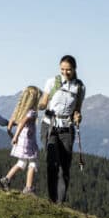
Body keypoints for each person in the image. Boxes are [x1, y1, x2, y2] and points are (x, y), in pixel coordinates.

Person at [39, 54, 86, 204]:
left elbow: (77, 110)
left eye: (68, 70)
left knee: (64, 166)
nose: (65, 72)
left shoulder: (79, 87)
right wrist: (36, 104)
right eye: (63, 69)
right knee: (52, 163)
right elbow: (43, 102)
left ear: (74, 69)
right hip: (50, 125)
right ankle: (52, 200)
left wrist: (78, 117)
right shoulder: (52, 82)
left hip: (67, 128)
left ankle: (60, 202)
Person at [0, 86, 43, 194]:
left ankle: (6, 179)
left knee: (22, 162)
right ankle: (28, 188)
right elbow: (22, 123)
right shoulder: (32, 112)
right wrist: (15, 136)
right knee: (33, 163)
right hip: (28, 141)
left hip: (22, 142)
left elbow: (11, 124)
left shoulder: (20, 110)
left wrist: (10, 132)